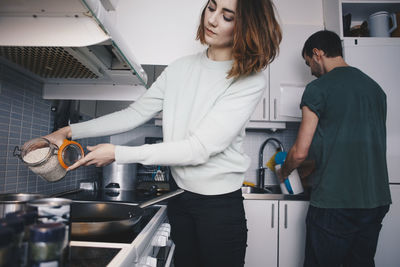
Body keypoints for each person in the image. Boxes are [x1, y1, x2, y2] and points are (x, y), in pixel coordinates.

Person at [45, 0, 282, 266]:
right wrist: (67, 131)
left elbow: (198, 148)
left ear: (247, 27)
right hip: (179, 195)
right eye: (211, 7)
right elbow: (134, 114)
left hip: (219, 207)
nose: (212, 19)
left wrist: (119, 154)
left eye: (227, 16)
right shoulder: (181, 68)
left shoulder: (249, 79)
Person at [276, 30, 392, 267]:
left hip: (335, 204)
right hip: (376, 201)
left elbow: (299, 152)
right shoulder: (376, 90)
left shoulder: (319, 88)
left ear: (318, 54)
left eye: (309, 63)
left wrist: (284, 170)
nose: (310, 71)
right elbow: (355, 144)